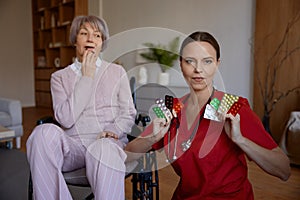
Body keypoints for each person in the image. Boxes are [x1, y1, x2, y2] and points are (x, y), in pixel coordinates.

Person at [125, 31, 291, 199]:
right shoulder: (173, 111)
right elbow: (126, 155)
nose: (198, 69)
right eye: (190, 61)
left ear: (217, 64)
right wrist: (152, 138)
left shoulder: (234, 108)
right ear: (181, 64)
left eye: (207, 61)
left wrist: (240, 140)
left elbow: (284, 170)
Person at [27, 15, 136, 200]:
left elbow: (128, 112)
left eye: (97, 35)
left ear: (102, 43)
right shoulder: (59, 77)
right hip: (73, 147)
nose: (90, 39)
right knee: (41, 133)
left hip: (106, 143)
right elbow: (66, 119)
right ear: (75, 40)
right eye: (84, 33)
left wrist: (113, 130)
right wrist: (86, 77)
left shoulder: (116, 72)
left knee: (103, 149)